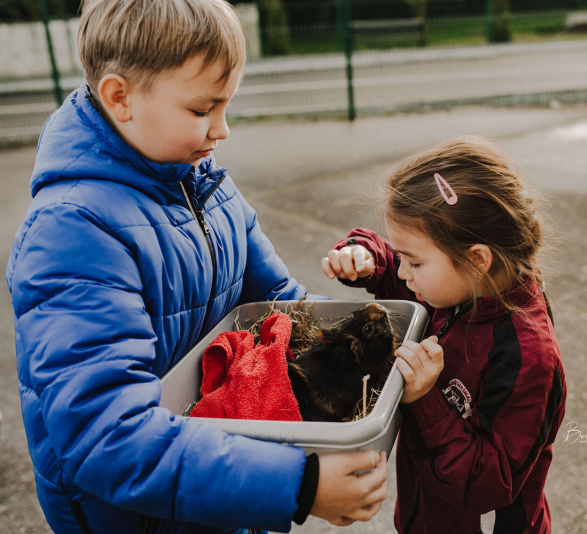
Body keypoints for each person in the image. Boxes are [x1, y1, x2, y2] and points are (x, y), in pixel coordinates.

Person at [6, 1, 387, 533]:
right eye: (202, 110)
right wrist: (296, 485)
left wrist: (384, 352)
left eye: (226, 106)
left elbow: (282, 303)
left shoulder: (204, 186)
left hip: (224, 476)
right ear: (120, 98)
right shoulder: (72, 233)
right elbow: (107, 438)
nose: (222, 130)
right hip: (140, 519)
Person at [321, 136, 568, 533]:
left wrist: (426, 401)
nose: (403, 272)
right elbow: (403, 277)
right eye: (401, 257)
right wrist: (366, 258)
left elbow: (489, 484)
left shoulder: (527, 358)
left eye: (414, 262)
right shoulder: (463, 287)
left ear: (477, 260)